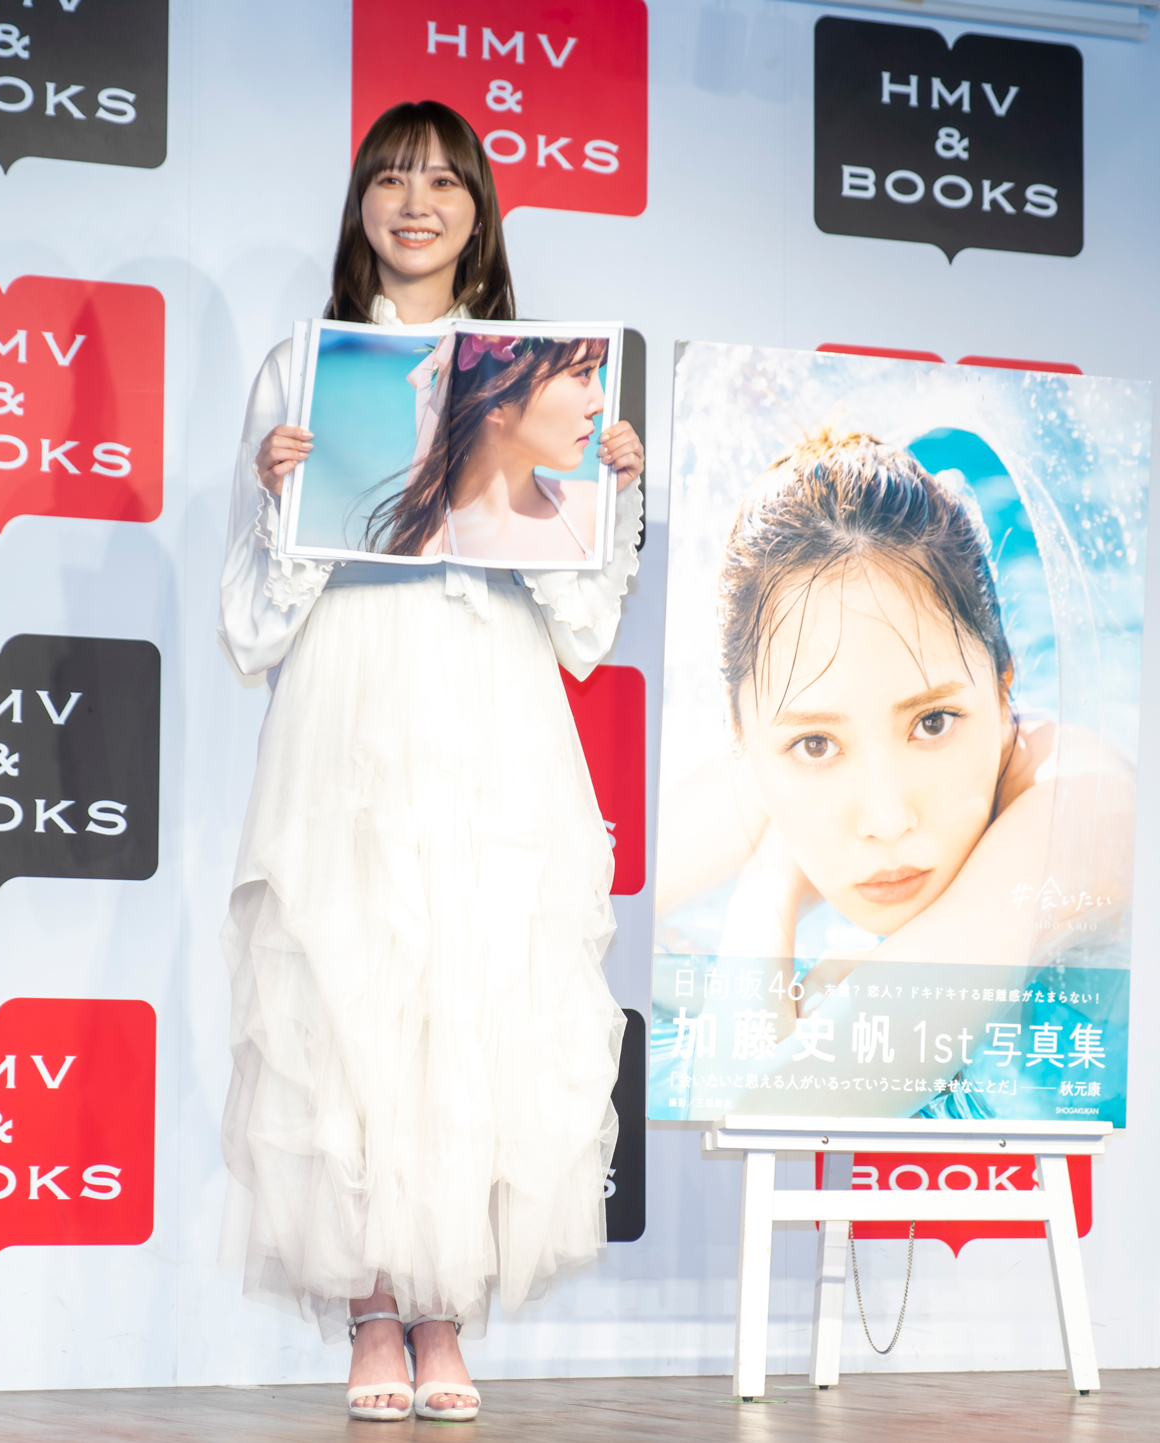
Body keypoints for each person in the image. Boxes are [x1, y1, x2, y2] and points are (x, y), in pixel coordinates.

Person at [217, 100, 645, 1421]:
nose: (416, 203)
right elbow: (251, 628)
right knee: (348, 994)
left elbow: (586, 630)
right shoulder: (302, 367)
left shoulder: (542, 372)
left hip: (492, 706)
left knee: (475, 994)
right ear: (361, 205)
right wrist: (282, 496)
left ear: (479, 213)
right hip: (351, 703)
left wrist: (609, 492)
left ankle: (443, 1313)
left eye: (445, 182)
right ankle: (371, 1313)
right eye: (392, 179)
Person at [654, 431, 1132, 1104]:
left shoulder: (1085, 806)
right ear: (742, 742)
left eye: (932, 722)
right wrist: (776, 878)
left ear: (1004, 687)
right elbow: (582, 907)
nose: (884, 818)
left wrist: (769, 879)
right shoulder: (777, 769)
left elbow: (756, 1105)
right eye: (816, 745)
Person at [366, 331, 609, 563]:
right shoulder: (431, 553)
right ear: (494, 396)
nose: (601, 403)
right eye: (583, 372)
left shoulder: (596, 509)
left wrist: (623, 488)